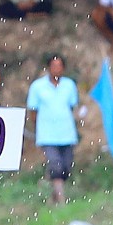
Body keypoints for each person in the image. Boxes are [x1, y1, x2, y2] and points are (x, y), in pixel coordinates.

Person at [24, 55, 81, 202]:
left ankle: (54, 196)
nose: (57, 69)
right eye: (54, 65)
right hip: (48, 133)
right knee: (55, 165)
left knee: (66, 168)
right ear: (49, 67)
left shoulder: (69, 85)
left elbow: (72, 106)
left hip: (66, 133)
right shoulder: (37, 87)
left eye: (59, 66)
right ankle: (62, 200)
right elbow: (33, 110)